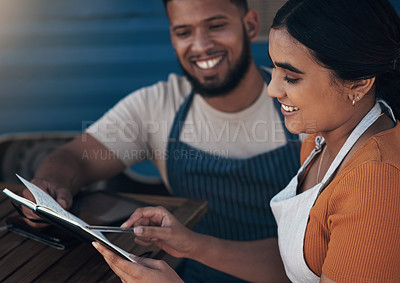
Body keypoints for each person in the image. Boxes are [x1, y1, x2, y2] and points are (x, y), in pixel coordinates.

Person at [93, 0, 400, 282]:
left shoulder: (377, 181)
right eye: (275, 68)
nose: (272, 89)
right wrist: (189, 243)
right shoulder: (318, 142)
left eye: (291, 77)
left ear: (358, 82)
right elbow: (294, 262)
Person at [22, 0, 301, 281]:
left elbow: (308, 258)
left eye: (216, 26)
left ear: (250, 25)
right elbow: (73, 158)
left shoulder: (298, 104)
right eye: (184, 32)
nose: (201, 45)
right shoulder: (157, 105)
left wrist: (192, 244)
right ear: (172, 38)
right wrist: (50, 188)